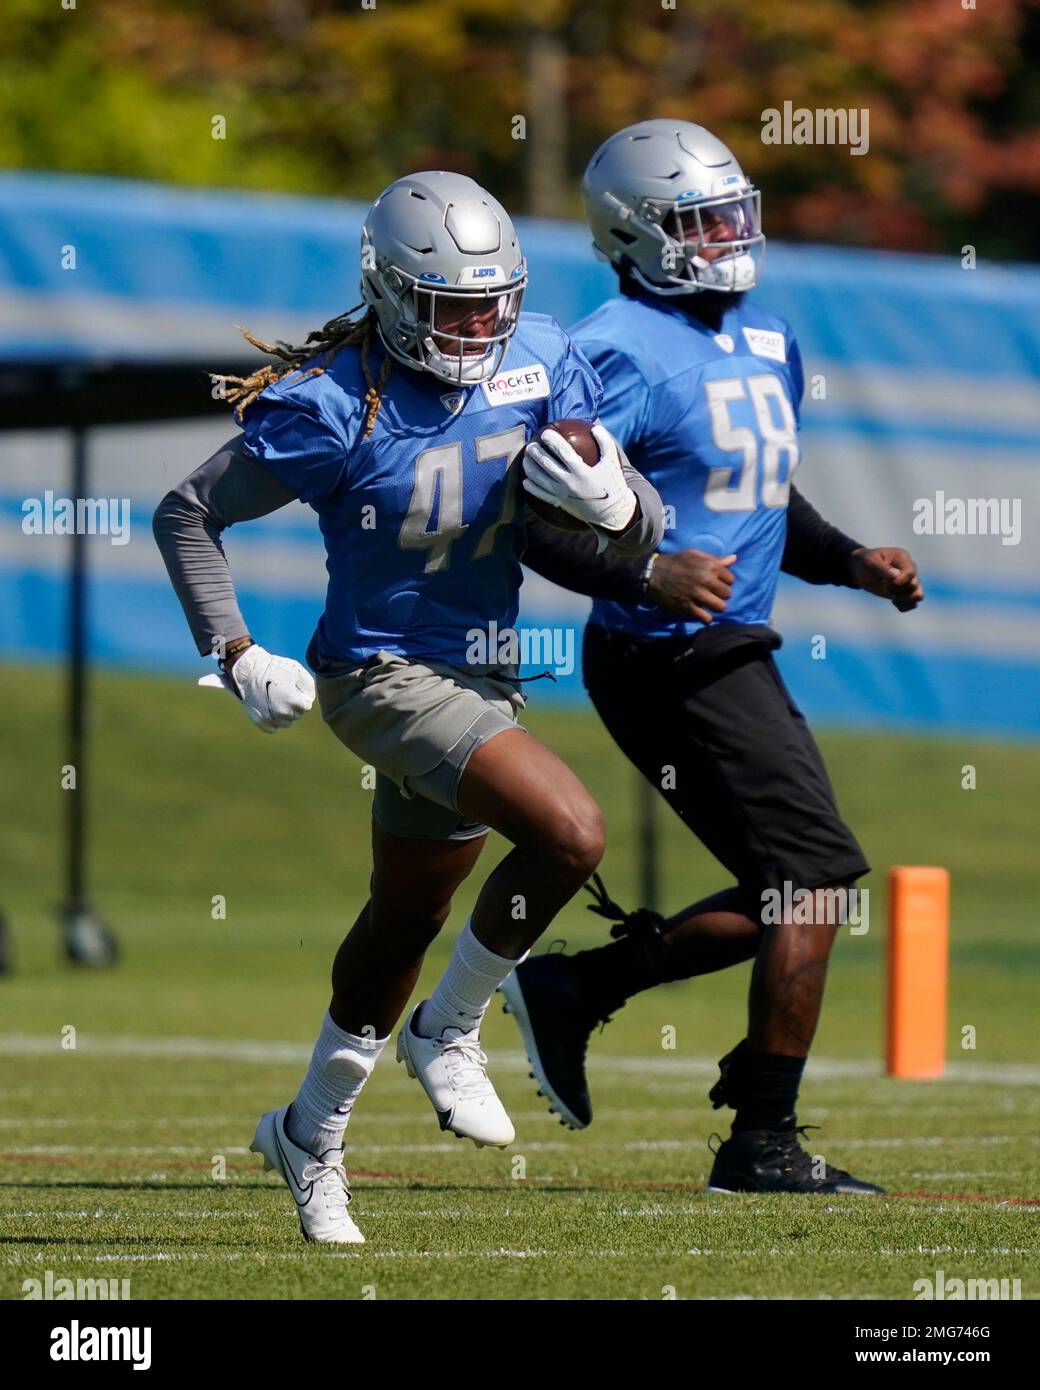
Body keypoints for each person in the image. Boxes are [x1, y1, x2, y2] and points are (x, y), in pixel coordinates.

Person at [153, 170, 663, 1243]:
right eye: (452, 306)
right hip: (378, 675)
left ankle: (306, 1132)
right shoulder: (335, 401)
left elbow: (621, 519)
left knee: (405, 917)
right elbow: (187, 512)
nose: (479, 325)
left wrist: (625, 508)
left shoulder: (541, 358)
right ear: (388, 293)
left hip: (481, 671)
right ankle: (452, 1025)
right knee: (569, 831)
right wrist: (235, 650)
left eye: (494, 301)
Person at [501, 121, 923, 1195]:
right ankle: (758, 1142)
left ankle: (576, 988)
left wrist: (849, 563)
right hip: (667, 653)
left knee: (793, 888)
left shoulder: (768, 336)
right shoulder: (613, 348)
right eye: (696, 220)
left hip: (730, 645)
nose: (725, 235)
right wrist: (646, 577)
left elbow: (752, 491)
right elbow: (537, 518)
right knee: (817, 878)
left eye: (731, 212)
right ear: (631, 234)